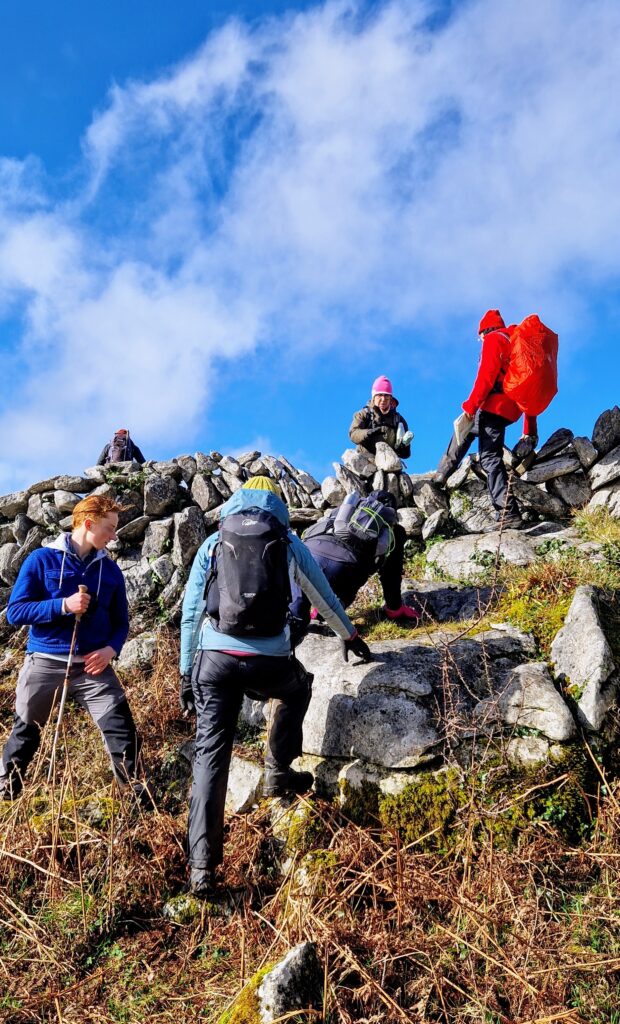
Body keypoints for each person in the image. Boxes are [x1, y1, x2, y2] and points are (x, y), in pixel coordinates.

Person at [179, 476, 371, 895]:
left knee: (211, 756)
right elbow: (323, 597)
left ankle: (201, 870)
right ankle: (278, 773)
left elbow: (192, 612)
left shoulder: (214, 542)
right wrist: (350, 636)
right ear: (276, 505)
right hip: (270, 660)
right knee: (297, 688)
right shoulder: (288, 540)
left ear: (236, 501)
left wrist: (184, 671)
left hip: (216, 663)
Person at [0, 495, 149, 805]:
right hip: (45, 661)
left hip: (93, 667)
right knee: (25, 734)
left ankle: (136, 807)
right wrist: (63, 605)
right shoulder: (41, 560)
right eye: (109, 528)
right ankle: (6, 797)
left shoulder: (110, 571)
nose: (113, 535)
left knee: (122, 731)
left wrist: (111, 649)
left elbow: (121, 622)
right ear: (88, 523)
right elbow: (15, 612)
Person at [434, 310, 539, 529]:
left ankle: (508, 512)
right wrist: (530, 428)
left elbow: (486, 377)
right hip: (510, 409)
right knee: (466, 431)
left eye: (479, 336)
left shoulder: (494, 339)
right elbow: (528, 387)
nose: (479, 340)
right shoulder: (516, 342)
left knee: (490, 457)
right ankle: (441, 474)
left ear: (483, 331)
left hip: (494, 406)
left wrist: (470, 406)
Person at [289, 490, 419, 637]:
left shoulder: (342, 512)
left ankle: (287, 640)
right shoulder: (393, 530)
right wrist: (394, 608)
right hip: (342, 569)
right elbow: (391, 574)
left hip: (305, 558)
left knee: (295, 617)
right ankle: (323, 614)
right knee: (346, 589)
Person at [349, 376, 413, 458]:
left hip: (389, 464)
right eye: (379, 395)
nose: (383, 399)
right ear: (374, 397)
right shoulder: (364, 414)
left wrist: (403, 447)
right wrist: (368, 433)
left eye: (386, 395)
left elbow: (405, 455)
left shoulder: (398, 420)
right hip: (365, 461)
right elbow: (353, 434)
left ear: (390, 398)